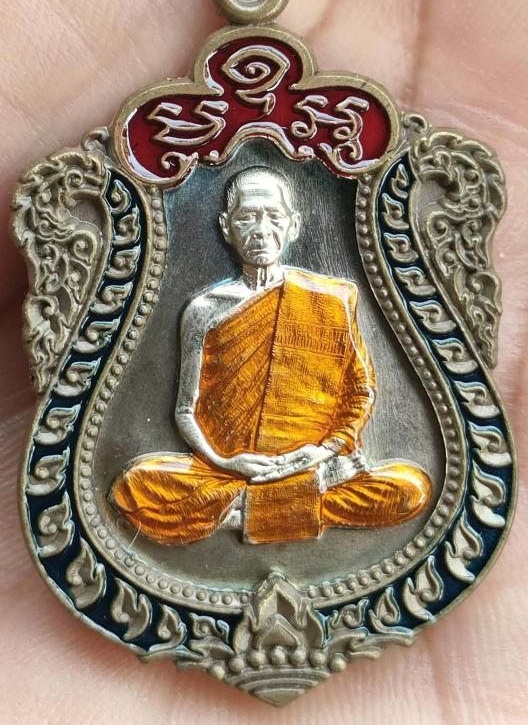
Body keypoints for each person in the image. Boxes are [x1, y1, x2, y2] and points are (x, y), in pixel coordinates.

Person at [110, 166, 431, 544]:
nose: (261, 230)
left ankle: (240, 513)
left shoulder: (331, 299)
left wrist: (320, 453)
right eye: (247, 217)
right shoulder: (204, 308)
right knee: (135, 488)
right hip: (229, 472)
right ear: (226, 227)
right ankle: (288, 508)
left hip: (314, 466)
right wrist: (226, 462)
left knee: (409, 489)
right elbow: (185, 410)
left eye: (273, 217)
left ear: (293, 226)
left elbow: (361, 392)